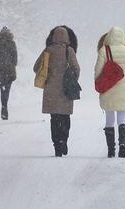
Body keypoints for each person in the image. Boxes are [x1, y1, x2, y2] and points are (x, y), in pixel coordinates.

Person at [34, 26, 80, 157]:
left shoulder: (48, 50)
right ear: (67, 37)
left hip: (51, 90)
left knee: (54, 119)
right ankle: (64, 140)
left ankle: (56, 146)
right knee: (65, 117)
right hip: (66, 90)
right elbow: (76, 68)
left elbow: (36, 67)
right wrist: (72, 80)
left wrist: (47, 73)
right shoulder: (69, 50)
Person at [95, 27, 125, 158]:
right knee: (122, 119)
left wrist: (99, 83)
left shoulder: (104, 50)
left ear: (109, 37)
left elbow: (97, 70)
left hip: (108, 88)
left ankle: (110, 150)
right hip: (124, 90)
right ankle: (122, 146)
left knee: (109, 119)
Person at [0, 27, 18, 120]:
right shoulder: (12, 43)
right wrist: (11, 65)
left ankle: (4, 107)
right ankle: (4, 107)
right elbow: (15, 59)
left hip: (0, 71)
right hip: (9, 71)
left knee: (2, 90)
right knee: (7, 90)